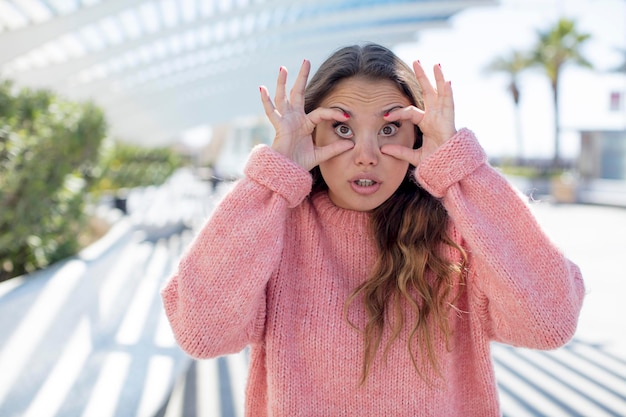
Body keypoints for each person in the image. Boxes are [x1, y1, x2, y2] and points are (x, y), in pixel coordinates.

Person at [161, 43, 585, 416]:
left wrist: (463, 173)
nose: (366, 155)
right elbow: (201, 332)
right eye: (342, 128)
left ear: (417, 134)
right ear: (312, 132)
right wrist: (271, 178)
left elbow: (549, 322)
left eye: (388, 129)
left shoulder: (458, 234)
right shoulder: (275, 230)